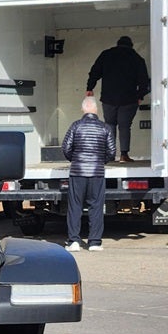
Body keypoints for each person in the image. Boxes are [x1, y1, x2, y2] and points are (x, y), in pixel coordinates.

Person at [62, 96, 115, 251]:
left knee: (75, 207)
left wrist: (75, 159)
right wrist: (100, 161)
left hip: (77, 172)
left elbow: (66, 148)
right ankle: (94, 242)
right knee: (96, 206)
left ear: (82, 109)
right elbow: (111, 152)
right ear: (96, 110)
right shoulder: (105, 127)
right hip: (97, 173)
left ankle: (74, 242)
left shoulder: (75, 126)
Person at [85, 35, 150, 162]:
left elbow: (94, 72)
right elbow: (144, 82)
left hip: (108, 98)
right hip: (129, 99)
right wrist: (140, 96)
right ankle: (124, 155)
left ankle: (110, 155)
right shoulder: (137, 59)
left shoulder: (106, 55)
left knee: (109, 125)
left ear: (117, 44)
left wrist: (90, 87)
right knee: (124, 126)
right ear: (131, 46)